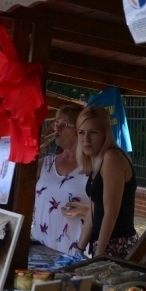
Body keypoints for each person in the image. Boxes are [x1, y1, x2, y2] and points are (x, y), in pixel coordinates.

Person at [75, 105, 139, 258]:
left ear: (105, 133)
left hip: (118, 249)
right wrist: (79, 249)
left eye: (93, 132)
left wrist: (98, 256)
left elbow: (111, 212)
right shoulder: (99, 159)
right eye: (81, 133)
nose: (86, 139)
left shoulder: (112, 157)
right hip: (104, 247)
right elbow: (94, 210)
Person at [32, 104, 90, 254]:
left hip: (74, 251)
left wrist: (85, 209)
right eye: (56, 123)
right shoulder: (45, 163)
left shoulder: (93, 168)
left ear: (80, 131)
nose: (57, 128)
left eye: (64, 124)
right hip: (41, 247)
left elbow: (109, 210)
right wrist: (32, 153)